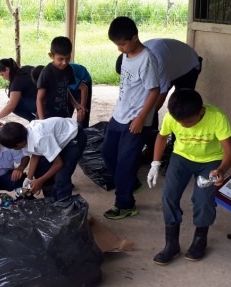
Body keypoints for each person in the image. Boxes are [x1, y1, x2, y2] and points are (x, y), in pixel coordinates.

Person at [147, 89, 231, 265]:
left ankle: (199, 240)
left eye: (188, 122)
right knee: (168, 196)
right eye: (179, 122)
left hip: (211, 161)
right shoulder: (172, 117)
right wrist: (155, 163)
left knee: (203, 200)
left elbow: (230, 152)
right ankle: (171, 244)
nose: (183, 125)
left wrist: (221, 170)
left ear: (201, 111)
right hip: (181, 158)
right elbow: (162, 137)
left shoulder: (217, 117)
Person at [102, 16, 160, 220]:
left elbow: (154, 90)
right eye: (117, 44)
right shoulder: (127, 55)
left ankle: (125, 204)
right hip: (119, 115)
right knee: (107, 153)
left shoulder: (147, 59)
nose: (119, 48)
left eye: (122, 44)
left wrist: (141, 119)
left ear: (135, 38)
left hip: (135, 120)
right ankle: (131, 184)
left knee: (125, 164)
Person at [117, 38, 203, 160]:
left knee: (182, 108)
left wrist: (144, 116)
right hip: (171, 63)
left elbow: (159, 95)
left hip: (187, 67)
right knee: (148, 108)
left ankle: (177, 151)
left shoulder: (154, 62)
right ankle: (153, 146)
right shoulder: (135, 57)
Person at [0, 117, 86, 202]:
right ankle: (52, 200)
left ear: (19, 144)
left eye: (13, 148)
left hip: (74, 136)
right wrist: (28, 179)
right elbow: (35, 154)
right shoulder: (23, 136)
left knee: (61, 177)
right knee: (41, 170)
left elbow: (59, 164)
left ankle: (64, 207)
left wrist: (40, 181)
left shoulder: (40, 138)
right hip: (57, 137)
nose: (13, 150)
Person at [36, 36, 88, 125]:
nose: (64, 62)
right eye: (60, 59)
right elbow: (39, 98)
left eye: (67, 58)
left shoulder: (69, 69)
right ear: (51, 56)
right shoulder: (47, 72)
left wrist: (76, 105)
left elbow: (65, 89)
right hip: (48, 116)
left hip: (63, 113)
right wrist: (42, 122)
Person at [0, 58, 38, 124]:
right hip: (51, 98)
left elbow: (11, 105)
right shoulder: (26, 68)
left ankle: (33, 120)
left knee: (14, 105)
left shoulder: (17, 82)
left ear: (7, 69)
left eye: (2, 74)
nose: (3, 78)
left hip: (43, 103)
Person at [68, 63, 93, 128]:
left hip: (84, 81)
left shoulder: (65, 74)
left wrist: (82, 108)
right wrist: (74, 104)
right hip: (70, 83)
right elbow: (66, 90)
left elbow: (84, 88)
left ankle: (83, 130)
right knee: (67, 111)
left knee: (82, 115)